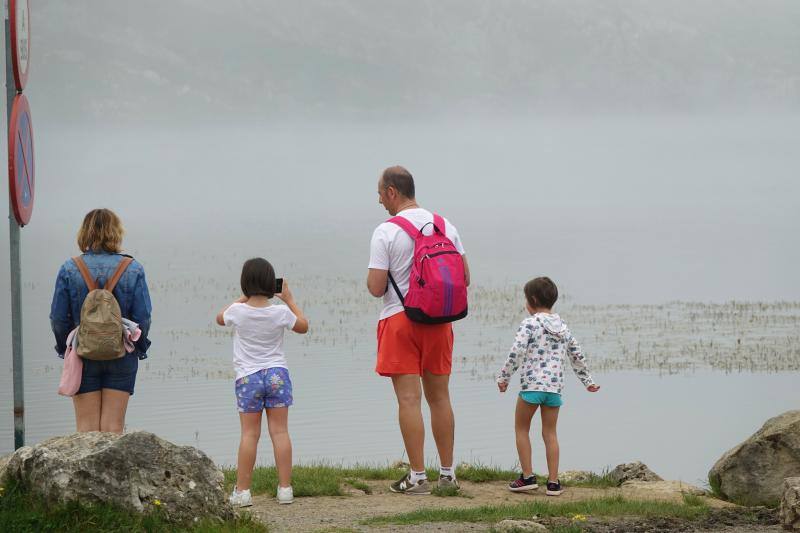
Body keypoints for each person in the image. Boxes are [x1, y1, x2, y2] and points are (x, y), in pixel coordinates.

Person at [367, 165, 470, 494]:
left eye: (381, 193)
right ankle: (448, 474)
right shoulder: (445, 225)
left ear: (393, 192)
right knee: (440, 398)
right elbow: (464, 277)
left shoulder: (386, 231)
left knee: (409, 401)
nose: (380, 199)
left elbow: (375, 286)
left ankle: (417, 476)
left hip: (401, 321)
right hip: (440, 323)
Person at [50, 208, 152, 433]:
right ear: (116, 232)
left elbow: (58, 319)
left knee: (86, 430)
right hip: (122, 353)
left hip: (83, 354)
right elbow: (143, 318)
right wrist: (138, 348)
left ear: (84, 233)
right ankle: (114, 470)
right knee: (113, 428)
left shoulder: (69, 268)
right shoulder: (133, 268)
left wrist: (65, 348)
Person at [496, 276, 600, 496]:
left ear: (532, 299)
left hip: (531, 388)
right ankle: (553, 483)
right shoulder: (563, 327)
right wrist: (588, 381)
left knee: (521, 429)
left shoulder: (529, 324)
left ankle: (528, 477)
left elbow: (516, 352)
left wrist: (504, 377)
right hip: (554, 390)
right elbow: (577, 355)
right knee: (550, 434)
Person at [217, 258, 309, 507]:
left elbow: (219, 318)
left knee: (249, 434)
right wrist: (289, 300)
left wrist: (242, 298)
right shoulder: (280, 312)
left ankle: (243, 492)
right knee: (280, 432)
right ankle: (285, 489)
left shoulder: (237, 311)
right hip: (277, 374)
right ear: (272, 284)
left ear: (245, 284)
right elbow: (303, 327)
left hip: (248, 377)